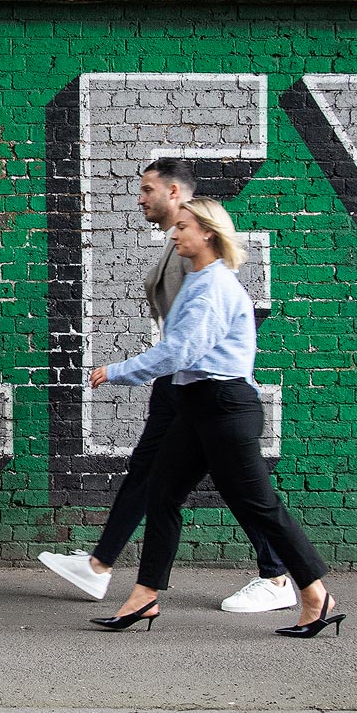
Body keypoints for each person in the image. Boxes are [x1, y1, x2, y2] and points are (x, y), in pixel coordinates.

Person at [39, 158, 296, 614]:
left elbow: (187, 342)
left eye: (147, 190)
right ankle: (105, 570)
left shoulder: (196, 261)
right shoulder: (178, 248)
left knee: (232, 482)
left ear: (175, 194)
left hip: (198, 385)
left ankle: (278, 576)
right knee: (156, 479)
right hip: (182, 382)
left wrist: (123, 370)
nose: (140, 199)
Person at [83, 198, 343, 638]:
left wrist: (119, 371)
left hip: (224, 407)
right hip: (197, 405)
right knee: (163, 493)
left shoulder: (213, 287)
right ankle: (145, 597)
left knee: (260, 507)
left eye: (182, 227)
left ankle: (316, 596)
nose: (174, 234)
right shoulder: (200, 281)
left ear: (207, 232)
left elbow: (182, 351)